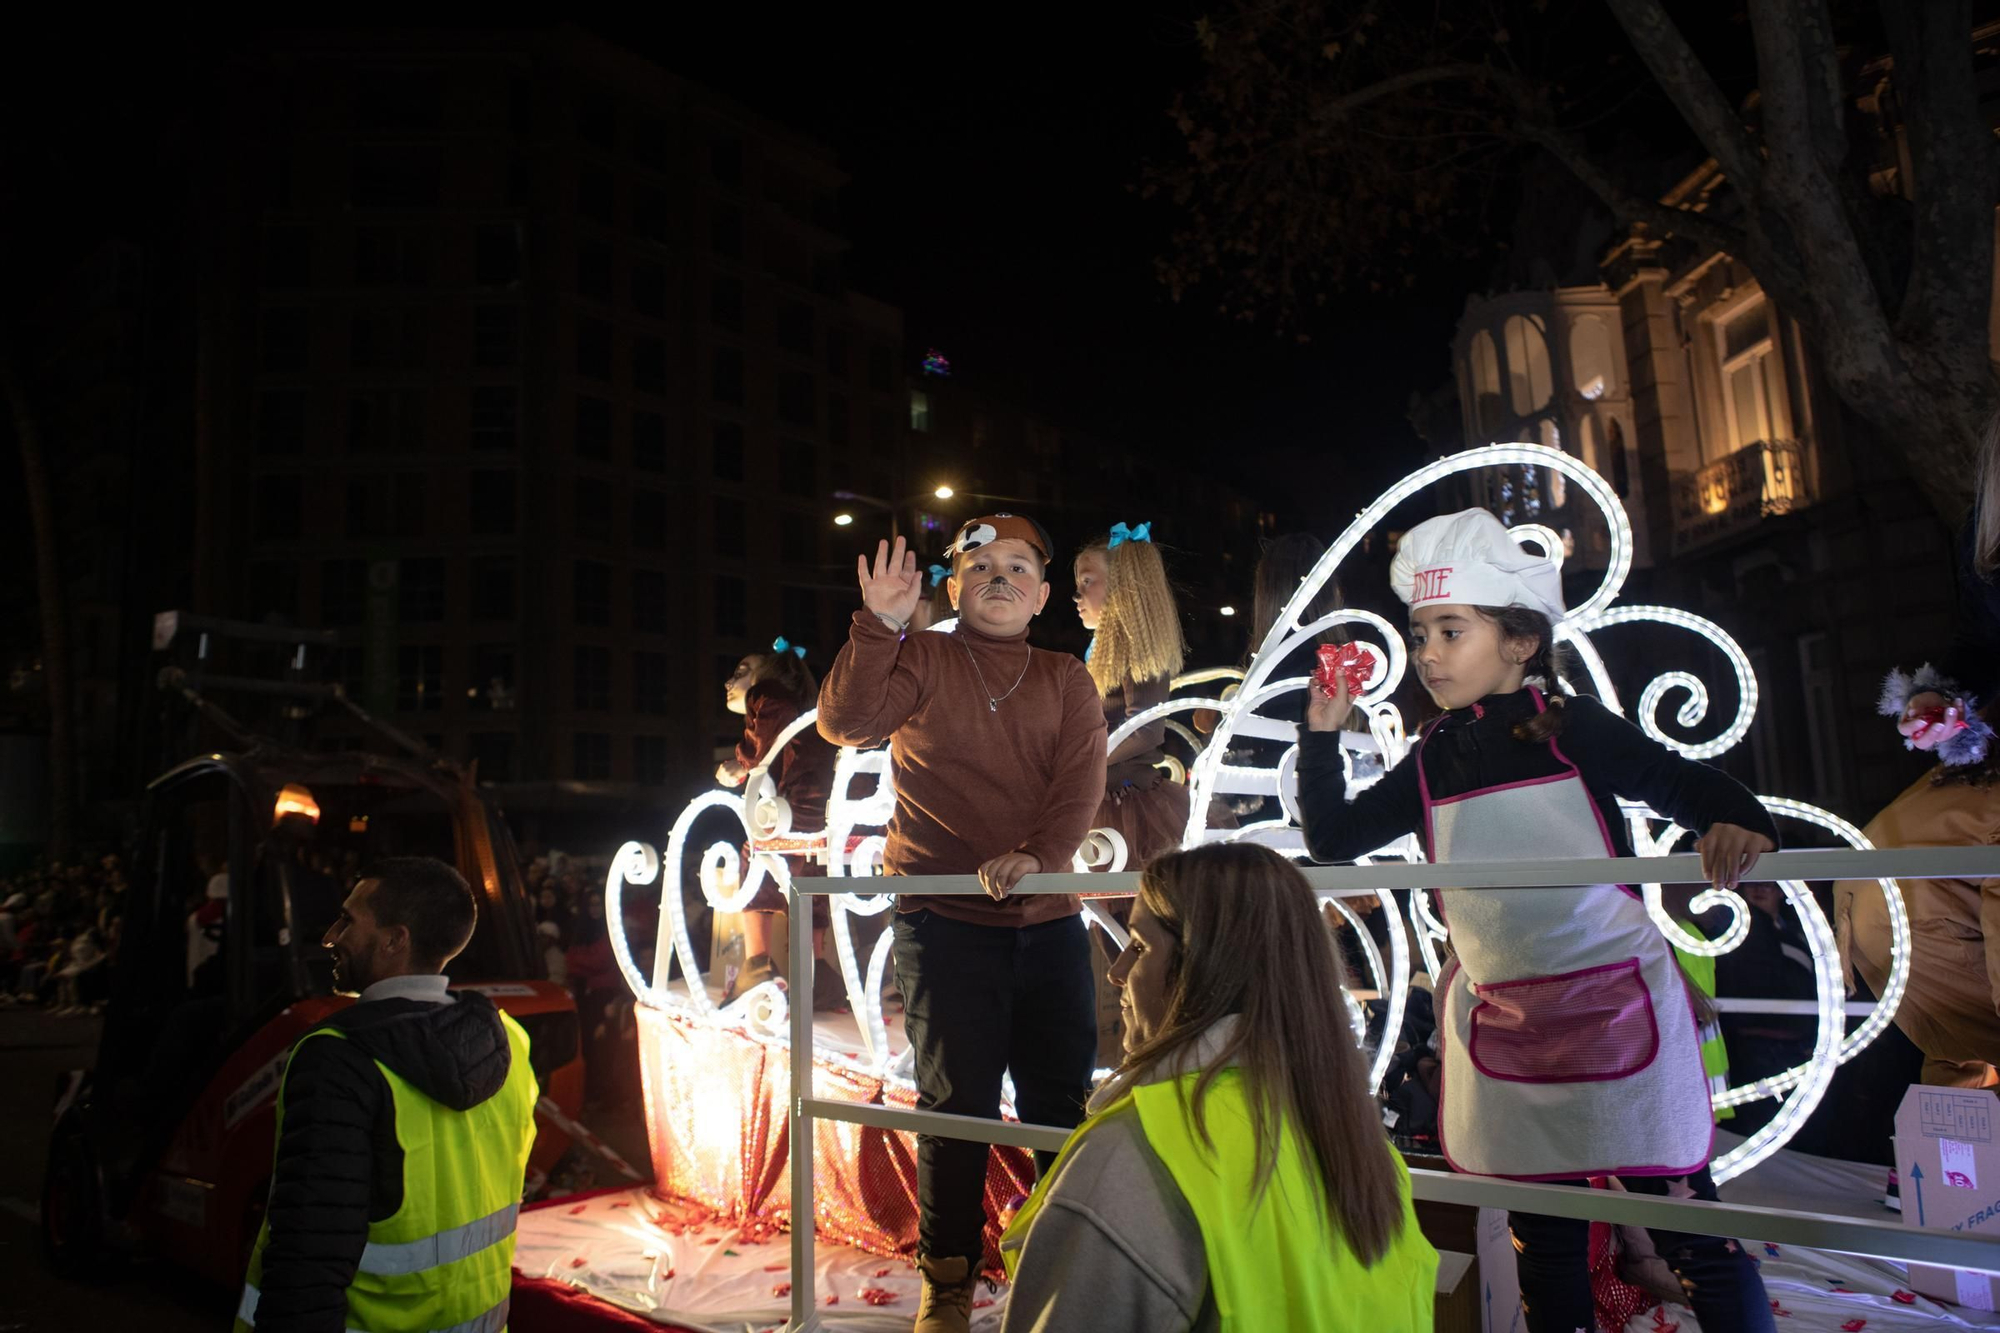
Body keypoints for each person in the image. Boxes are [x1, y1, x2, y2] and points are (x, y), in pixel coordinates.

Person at [1296, 508, 1779, 1333]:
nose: (1428, 654)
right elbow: (1334, 839)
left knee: (1693, 1227)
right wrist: (1320, 737)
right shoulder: (1434, 752)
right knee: (1541, 1240)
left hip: (1618, 1007)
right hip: (1508, 1019)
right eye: (1421, 635)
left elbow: (1690, 786)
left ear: (1519, 642)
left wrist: (1739, 822)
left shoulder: (1574, 726)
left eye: (1451, 631)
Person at [817, 519, 1106, 1333]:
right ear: (953, 589)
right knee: (955, 1106)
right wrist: (877, 624)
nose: (1000, 577)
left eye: (1019, 567)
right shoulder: (926, 657)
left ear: (1043, 594)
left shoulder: (1064, 676)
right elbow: (845, 723)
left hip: (1049, 921)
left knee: (1060, 1103)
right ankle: (947, 1282)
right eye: (979, 566)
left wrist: (1041, 854)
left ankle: (1071, 1263)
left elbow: (1080, 781)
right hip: (944, 921)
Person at [999, 842, 1438, 1331]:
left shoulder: (1134, 1155)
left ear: (1206, 970)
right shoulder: (1372, 1160)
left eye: (1140, 947)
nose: (1116, 972)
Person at [235, 857, 536, 1333]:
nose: (331, 937)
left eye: (349, 921)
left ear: (396, 939)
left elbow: (310, 1253)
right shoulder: (512, 1042)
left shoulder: (337, 1058)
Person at [1836, 754, 2000, 1088]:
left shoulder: (1973, 773)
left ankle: (1948, 1137)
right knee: (1968, 1039)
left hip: (1864, 899)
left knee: (1955, 1048)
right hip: (1918, 905)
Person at [715, 635, 843, 1010]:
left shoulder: (766, 694)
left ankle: (756, 964)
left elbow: (765, 749)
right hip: (827, 807)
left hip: (797, 804)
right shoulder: (805, 702)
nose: (729, 681)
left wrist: (742, 762)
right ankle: (818, 974)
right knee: (806, 875)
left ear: (765, 672)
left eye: (741, 671)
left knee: (753, 855)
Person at [1074, 522, 1192, 869]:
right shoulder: (1106, 651)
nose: (1077, 595)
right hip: (1106, 795)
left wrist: (1081, 760)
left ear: (1121, 587)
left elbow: (1146, 730)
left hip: (1126, 800)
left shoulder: (1139, 652)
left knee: (1119, 905)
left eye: (1087, 581)